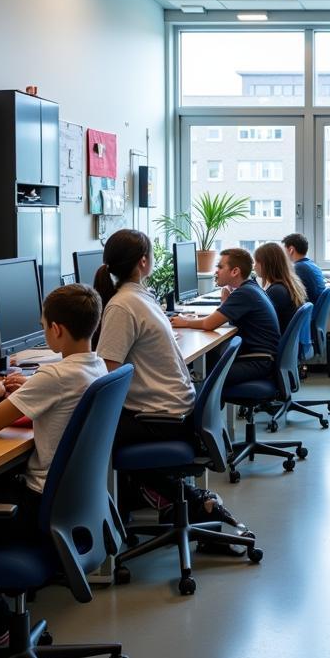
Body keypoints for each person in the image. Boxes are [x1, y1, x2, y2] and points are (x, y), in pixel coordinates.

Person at [0, 284, 106, 650]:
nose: (43, 331)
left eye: (44, 325)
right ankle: (1, 621)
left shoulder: (55, 376)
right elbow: (55, 403)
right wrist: (27, 389)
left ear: (56, 330)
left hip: (36, 506)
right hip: (69, 506)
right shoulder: (97, 365)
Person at [95, 229, 248, 540]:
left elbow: (106, 379)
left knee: (79, 436)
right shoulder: (140, 299)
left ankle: (106, 530)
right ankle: (185, 501)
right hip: (177, 412)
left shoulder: (122, 305)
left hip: (161, 419)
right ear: (143, 262)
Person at [171, 247, 280, 388]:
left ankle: (200, 407)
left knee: (199, 373)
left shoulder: (244, 294)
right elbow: (221, 317)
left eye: (220, 267)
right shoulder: (251, 288)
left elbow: (208, 324)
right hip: (262, 359)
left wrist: (184, 322)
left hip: (257, 362)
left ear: (235, 271)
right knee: (208, 360)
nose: (216, 271)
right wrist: (225, 301)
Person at [253, 241, 307, 334]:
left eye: (256, 262)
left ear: (266, 264)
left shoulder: (277, 291)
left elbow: (256, 321)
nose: (254, 267)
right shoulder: (287, 284)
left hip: (274, 344)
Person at [282, 232, 326, 304]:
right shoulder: (312, 265)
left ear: (291, 250)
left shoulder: (299, 268)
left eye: (284, 250)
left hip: (307, 311)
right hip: (312, 309)